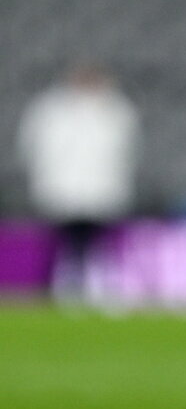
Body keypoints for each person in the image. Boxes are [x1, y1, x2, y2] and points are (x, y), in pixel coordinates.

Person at [16, 62, 141, 301]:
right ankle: (61, 292)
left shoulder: (116, 109)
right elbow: (32, 146)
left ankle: (101, 291)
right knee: (63, 246)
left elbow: (128, 150)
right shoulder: (50, 108)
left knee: (99, 246)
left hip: (102, 189)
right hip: (61, 189)